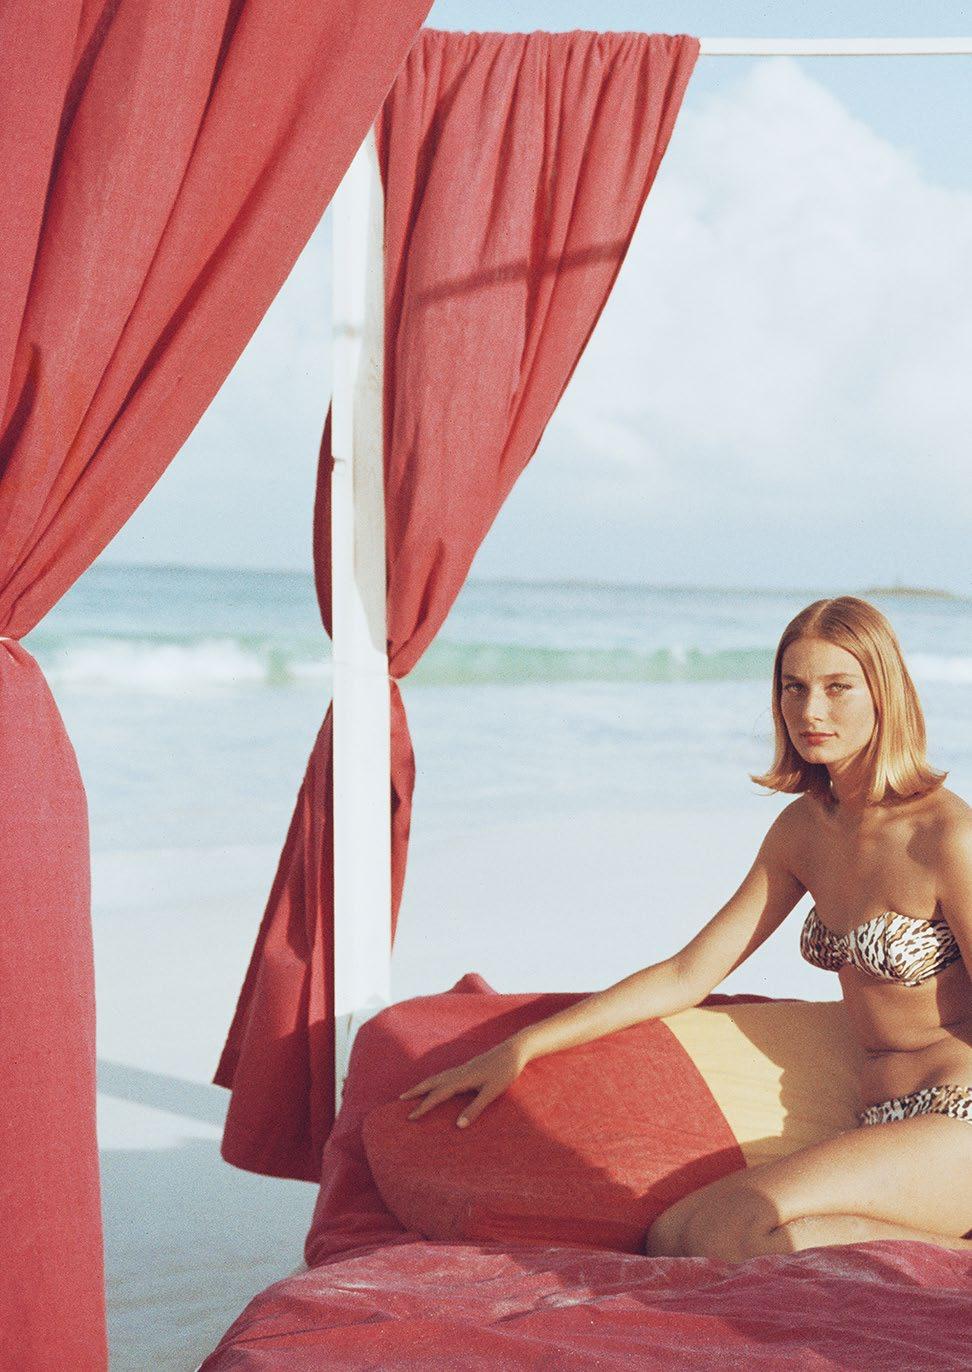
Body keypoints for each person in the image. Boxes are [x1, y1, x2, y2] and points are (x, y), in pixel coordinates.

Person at [399, 596, 972, 1261]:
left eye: (838, 687)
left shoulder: (946, 837)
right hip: (879, 1120)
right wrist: (524, 1046)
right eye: (794, 687)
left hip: (958, 1116)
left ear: (885, 694)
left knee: (729, 1231)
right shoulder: (804, 831)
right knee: (673, 1235)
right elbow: (688, 972)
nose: (811, 711)